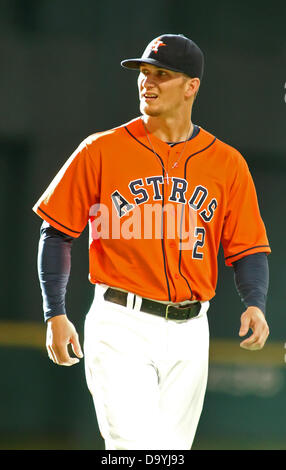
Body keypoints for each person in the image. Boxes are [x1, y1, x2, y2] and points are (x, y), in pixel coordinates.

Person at [33, 34, 271, 450]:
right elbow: (56, 230)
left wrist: (255, 302)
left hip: (192, 328)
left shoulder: (227, 163)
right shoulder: (100, 150)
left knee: (171, 453)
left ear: (191, 86)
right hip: (120, 320)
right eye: (144, 73)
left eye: (162, 74)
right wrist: (55, 311)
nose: (148, 82)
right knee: (133, 448)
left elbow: (248, 246)